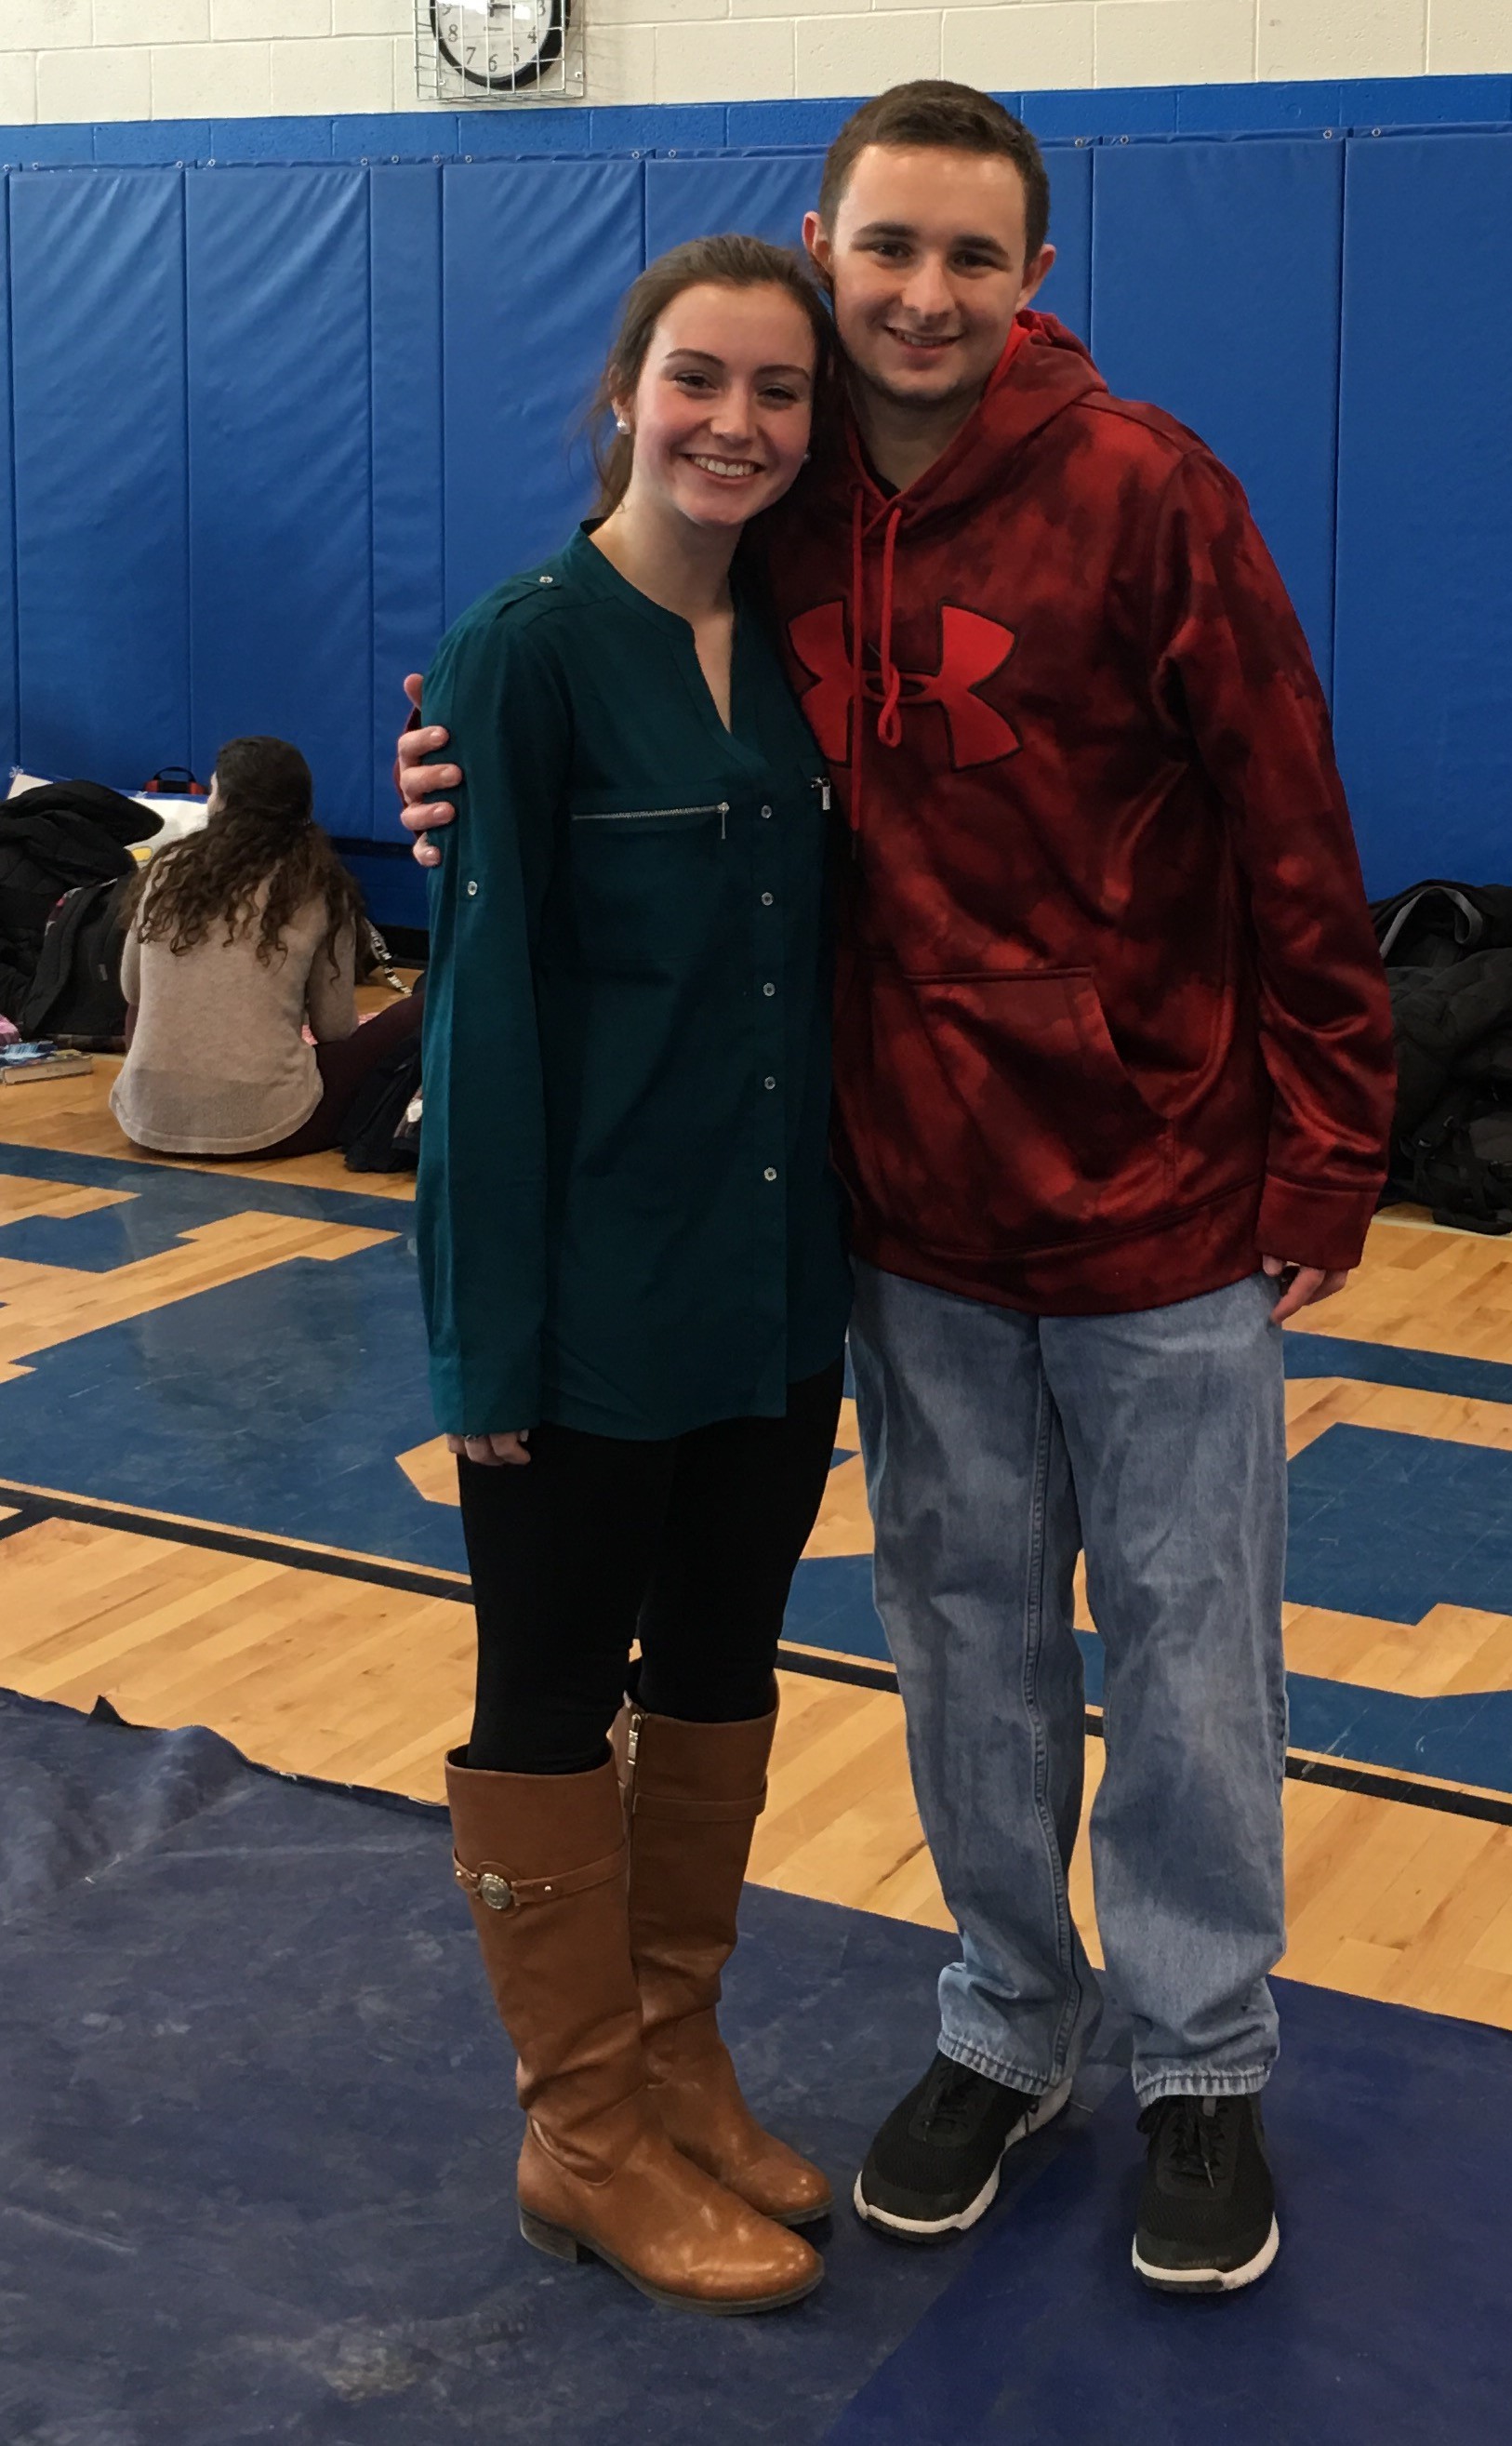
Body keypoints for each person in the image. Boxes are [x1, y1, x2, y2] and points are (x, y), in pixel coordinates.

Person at [401, 86, 1396, 2297]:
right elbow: (600, 636)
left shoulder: (1143, 489)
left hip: (1154, 1195)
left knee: (1188, 1655)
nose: (921, 297)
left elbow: (1288, 812)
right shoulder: (784, 495)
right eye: (885, 252)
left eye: (968, 256)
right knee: (959, 1645)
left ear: (1033, 276)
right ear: (821, 253)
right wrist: (459, 769)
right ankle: (1006, 2016)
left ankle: (1200, 2058)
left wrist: (1326, 1135)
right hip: (901, 1211)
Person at [417, 234, 853, 2318]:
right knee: (544, 1690)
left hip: (767, 1281)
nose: (733, 424)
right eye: (698, 378)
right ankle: (580, 2130)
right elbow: (480, 1007)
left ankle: (677, 2058)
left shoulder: (806, 643)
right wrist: (485, 1337)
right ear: (622, 390)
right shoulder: (523, 649)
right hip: (587, 1294)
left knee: (719, 1671)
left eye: (778, 390)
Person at [111, 735, 420, 1160]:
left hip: (145, 1119)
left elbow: (132, 991)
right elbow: (334, 1029)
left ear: (224, 801)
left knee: (148, 1005)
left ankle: (167, 1094)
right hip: (269, 1126)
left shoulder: (166, 868)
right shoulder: (319, 884)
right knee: (424, 1005)